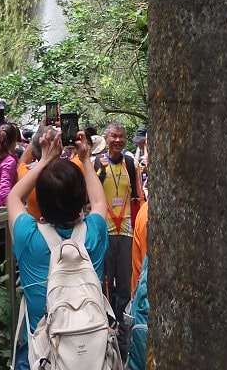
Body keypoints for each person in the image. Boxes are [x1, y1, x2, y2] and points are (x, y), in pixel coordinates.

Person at [7, 128, 109, 370]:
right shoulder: (94, 233)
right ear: (81, 199)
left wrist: (45, 160)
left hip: (43, 358)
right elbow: (99, 201)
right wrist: (85, 159)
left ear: (40, 201)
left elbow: (14, 197)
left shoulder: (28, 237)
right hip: (91, 357)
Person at [95, 123, 144, 359]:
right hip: (104, 231)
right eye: (114, 136)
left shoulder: (131, 163)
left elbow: (137, 196)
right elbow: (90, 194)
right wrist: (102, 172)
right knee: (105, 287)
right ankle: (105, 337)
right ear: (106, 139)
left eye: (121, 136)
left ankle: (123, 342)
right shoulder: (98, 163)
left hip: (125, 231)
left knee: (124, 287)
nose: (118, 140)